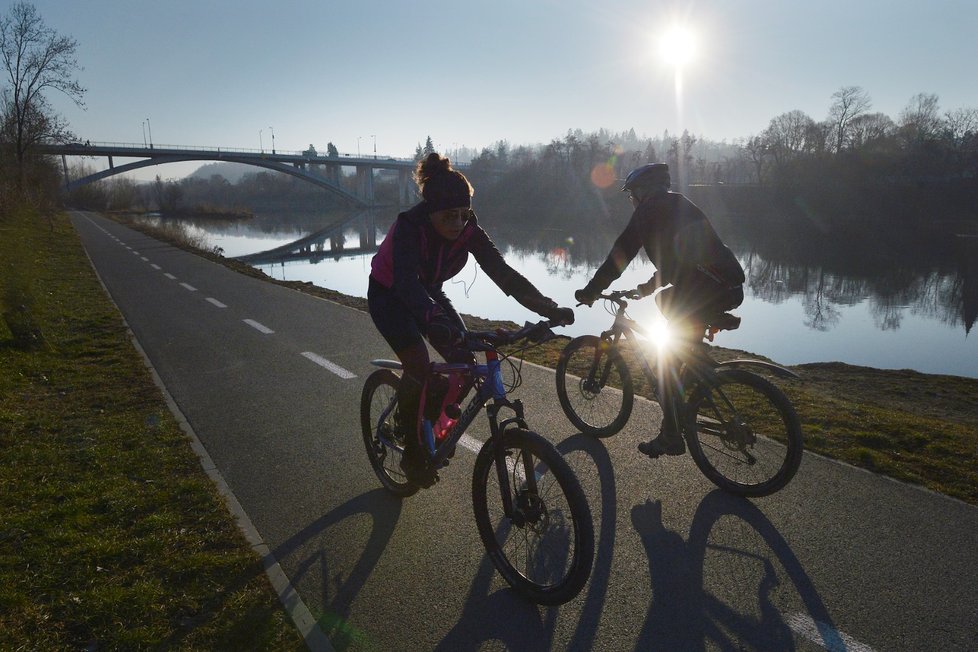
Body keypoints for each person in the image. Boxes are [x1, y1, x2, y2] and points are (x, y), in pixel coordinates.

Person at [369, 153, 575, 486]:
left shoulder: (468, 230)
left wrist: (548, 308)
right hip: (389, 295)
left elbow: (503, 274)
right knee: (419, 364)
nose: (457, 224)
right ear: (431, 211)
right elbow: (406, 284)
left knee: (464, 364)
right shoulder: (410, 226)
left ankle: (432, 429)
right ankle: (411, 448)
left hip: (429, 292)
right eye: (449, 217)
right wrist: (436, 321)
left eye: (464, 216)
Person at [574, 163, 745, 458]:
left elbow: (621, 253)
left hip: (704, 288)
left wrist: (591, 290)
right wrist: (644, 288)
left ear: (642, 193)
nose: (631, 202)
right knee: (666, 308)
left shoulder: (648, 212)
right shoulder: (678, 204)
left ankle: (670, 436)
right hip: (726, 287)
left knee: (665, 359)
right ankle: (693, 371)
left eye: (632, 196)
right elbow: (679, 261)